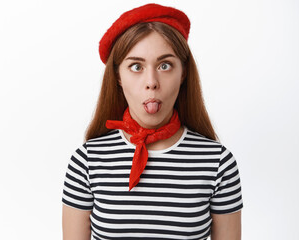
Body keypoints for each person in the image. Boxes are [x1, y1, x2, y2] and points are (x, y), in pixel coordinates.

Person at [62, 3, 243, 240]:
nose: (151, 82)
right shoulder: (87, 161)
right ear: (118, 76)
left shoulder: (218, 163)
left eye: (164, 65)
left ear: (183, 73)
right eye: (136, 66)